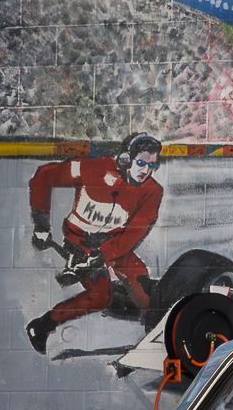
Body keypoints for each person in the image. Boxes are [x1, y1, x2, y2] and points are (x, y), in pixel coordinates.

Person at [26, 133, 164, 352]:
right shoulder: (91, 168)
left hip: (115, 245)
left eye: (152, 165)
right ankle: (42, 325)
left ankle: (154, 332)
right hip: (79, 241)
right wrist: (41, 224)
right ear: (126, 159)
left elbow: (134, 233)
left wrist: (104, 254)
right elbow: (44, 176)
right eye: (141, 163)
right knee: (100, 297)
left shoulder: (153, 191)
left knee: (143, 288)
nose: (145, 170)